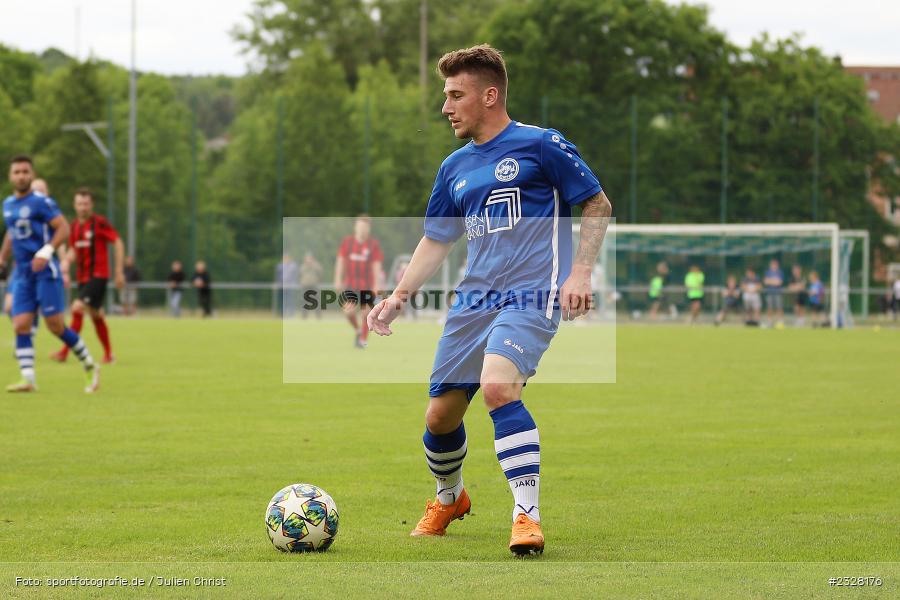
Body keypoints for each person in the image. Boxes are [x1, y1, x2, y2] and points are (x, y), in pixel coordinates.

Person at [366, 45, 612, 555]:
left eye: (456, 95)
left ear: (490, 95)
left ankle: (526, 517)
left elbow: (596, 202)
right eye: (446, 95)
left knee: (499, 387)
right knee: (439, 418)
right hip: (473, 303)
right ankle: (450, 497)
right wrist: (397, 297)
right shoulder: (453, 166)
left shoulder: (542, 146)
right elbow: (437, 239)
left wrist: (581, 271)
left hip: (531, 294)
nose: (446, 107)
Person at [1, 155, 99, 392]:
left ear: (32, 175)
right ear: (10, 176)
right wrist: (2, 257)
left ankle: (89, 365)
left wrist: (47, 251)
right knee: (21, 324)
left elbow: (64, 227)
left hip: (45, 271)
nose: (22, 175)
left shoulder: (41, 202)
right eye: (17, 172)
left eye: (26, 171)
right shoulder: (7, 205)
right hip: (23, 273)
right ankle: (28, 379)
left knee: (55, 325)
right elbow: (12, 234)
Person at [50, 187, 123, 364]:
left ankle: (65, 351)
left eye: (86, 204)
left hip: (99, 275)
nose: (83, 207)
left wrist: (119, 271)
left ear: (92, 205)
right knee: (96, 316)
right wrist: (66, 262)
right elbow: (73, 250)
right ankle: (109, 354)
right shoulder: (73, 226)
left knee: (76, 307)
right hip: (83, 277)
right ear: (75, 205)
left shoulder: (100, 223)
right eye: (80, 204)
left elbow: (118, 242)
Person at [334, 214, 383, 348]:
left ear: (369, 229)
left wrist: (376, 286)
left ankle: (362, 340)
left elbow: (376, 266)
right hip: (351, 285)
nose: (362, 229)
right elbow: (341, 261)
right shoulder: (347, 242)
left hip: (367, 286)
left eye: (365, 226)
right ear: (355, 227)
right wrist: (338, 279)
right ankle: (358, 330)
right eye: (360, 226)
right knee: (348, 312)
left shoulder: (373, 245)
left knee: (366, 312)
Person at [298, 251, 322, 319]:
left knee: (316, 300)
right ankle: (304, 316)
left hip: (314, 285)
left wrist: (317, 281)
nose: (308, 259)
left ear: (312, 258)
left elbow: (320, 274)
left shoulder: (316, 265)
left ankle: (318, 316)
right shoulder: (302, 266)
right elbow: (300, 275)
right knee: (304, 301)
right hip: (305, 285)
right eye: (307, 258)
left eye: (310, 258)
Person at [275, 253, 300, 318]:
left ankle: (291, 314)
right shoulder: (280, 266)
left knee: (290, 300)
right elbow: (277, 276)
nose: (286, 259)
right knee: (282, 300)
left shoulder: (293, 266)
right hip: (282, 285)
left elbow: (295, 275)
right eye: (284, 258)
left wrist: (294, 283)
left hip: (290, 286)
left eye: (287, 258)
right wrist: (278, 283)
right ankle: (282, 314)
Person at [763, 258, 785, 327]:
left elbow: (779, 282)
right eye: (772, 264)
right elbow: (766, 282)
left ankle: (780, 322)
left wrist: (771, 281)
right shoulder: (768, 272)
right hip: (769, 292)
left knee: (779, 307)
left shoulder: (780, 272)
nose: (774, 265)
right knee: (769, 308)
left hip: (778, 292)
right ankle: (769, 322)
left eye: (775, 264)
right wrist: (774, 281)